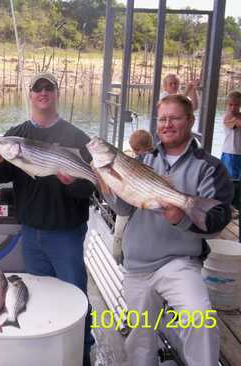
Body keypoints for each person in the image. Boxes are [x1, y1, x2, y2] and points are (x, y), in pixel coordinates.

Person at [101, 94, 233, 366]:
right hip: (137, 264)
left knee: (201, 319)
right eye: (162, 119)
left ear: (190, 120)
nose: (167, 124)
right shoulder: (142, 159)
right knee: (139, 338)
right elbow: (124, 209)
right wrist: (104, 181)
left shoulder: (210, 167)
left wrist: (181, 219)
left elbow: (218, 220)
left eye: (174, 118)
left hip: (179, 263)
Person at [0, 73, 95, 366]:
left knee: (75, 294)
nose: (43, 93)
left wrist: (72, 181)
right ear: (30, 94)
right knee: (40, 295)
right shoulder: (16, 134)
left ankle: (82, 351)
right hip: (31, 231)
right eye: (38, 88)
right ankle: (48, 347)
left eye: (48, 88)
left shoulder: (76, 137)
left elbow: (89, 188)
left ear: (56, 93)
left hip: (66, 233)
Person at [112, 129, 154, 262]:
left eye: (135, 149)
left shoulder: (138, 161)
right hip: (147, 210)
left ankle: (118, 259)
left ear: (137, 149)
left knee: (119, 234)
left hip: (130, 206)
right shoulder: (158, 160)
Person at [221, 91, 241, 179]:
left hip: (239, 153)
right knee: (230, 180)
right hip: (230, 153)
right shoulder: (227, 116)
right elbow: (237, 124)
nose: (233, 108)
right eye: (230, 105)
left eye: (236, 105)